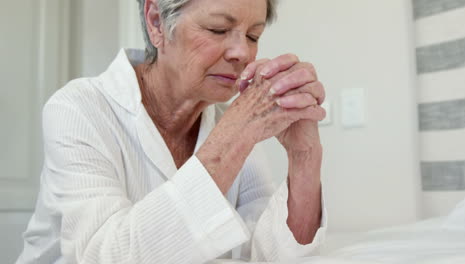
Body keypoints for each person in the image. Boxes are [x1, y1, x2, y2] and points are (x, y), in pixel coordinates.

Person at [17, 0, 327, 263]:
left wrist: (304, 155)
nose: (242, 53)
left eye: (252, 35)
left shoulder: (226, 121)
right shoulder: (78, 108)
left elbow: (270, 253)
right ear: (156, 22)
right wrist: (236, 134)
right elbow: (103, 255)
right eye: (218, 29)